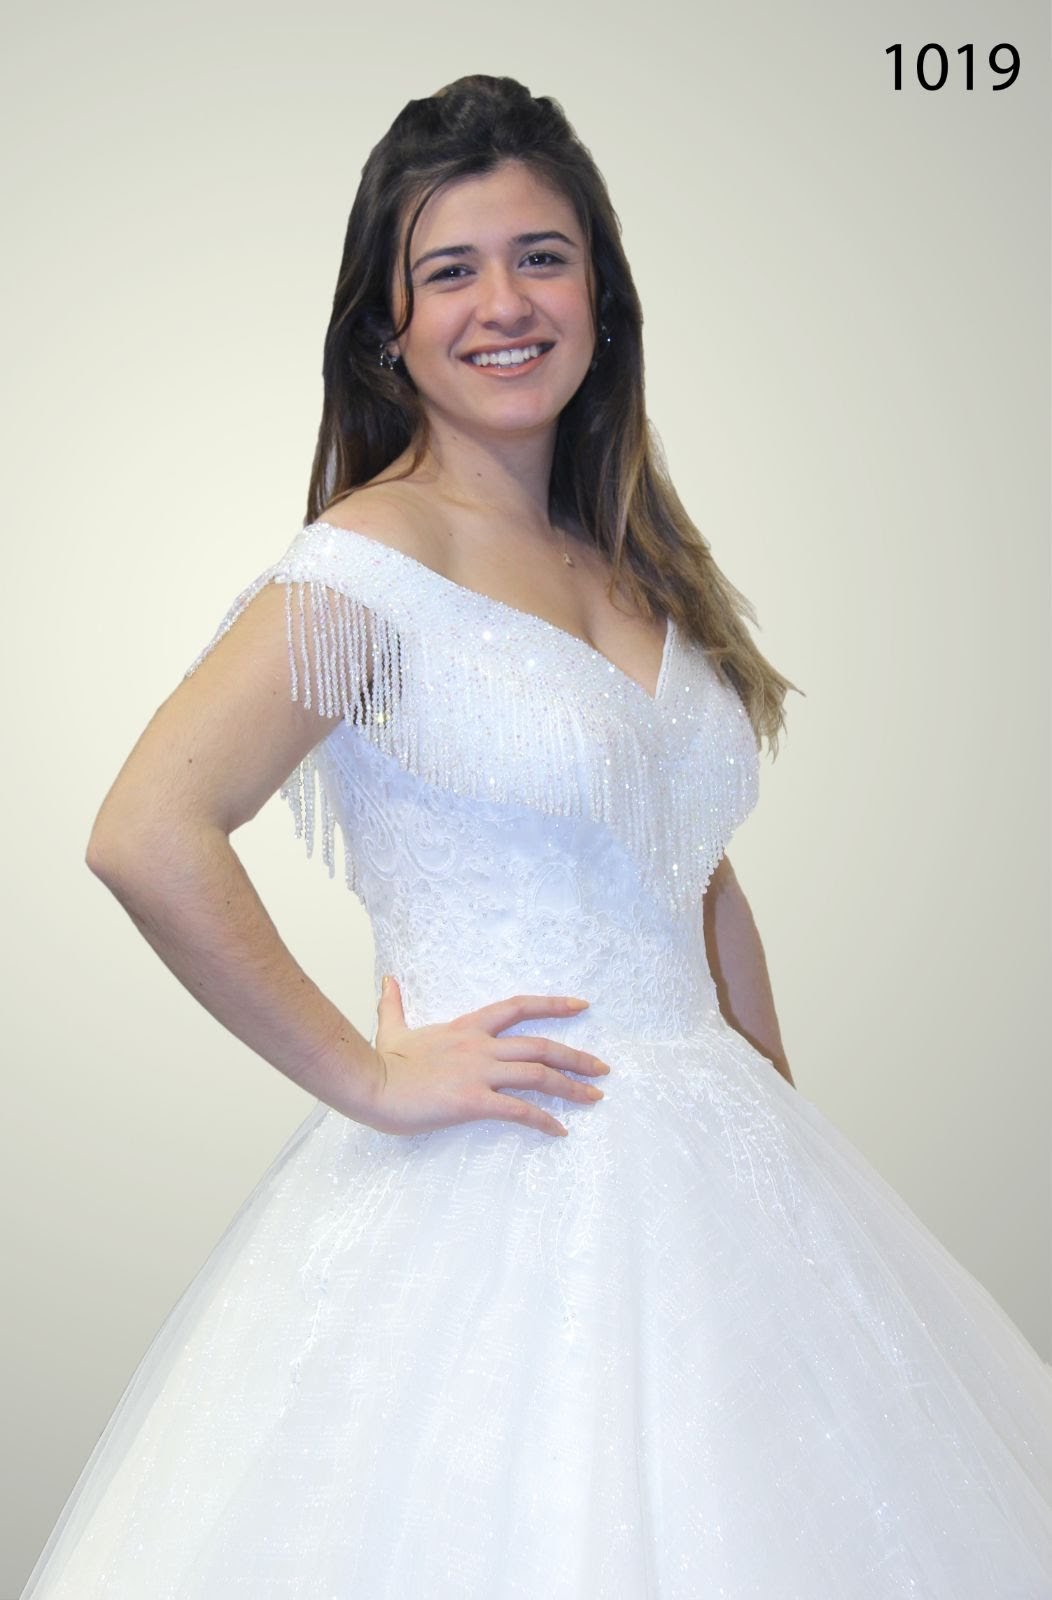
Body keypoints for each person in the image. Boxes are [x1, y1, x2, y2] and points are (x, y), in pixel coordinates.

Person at [21, 73, 1052, 1599]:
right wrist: (368, 1075)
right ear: (388, 328)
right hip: (501, 1178)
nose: (504, 303)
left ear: (602, 297)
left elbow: (689, 866)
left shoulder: (633, 558)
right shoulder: (370, 562)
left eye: (542, 258)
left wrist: (776, 1122)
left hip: (725, 1184)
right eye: (450, 270)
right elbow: (147, 830)